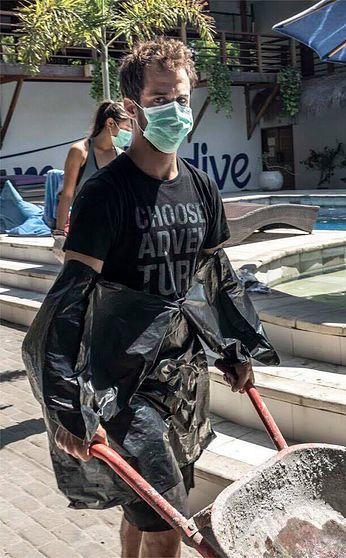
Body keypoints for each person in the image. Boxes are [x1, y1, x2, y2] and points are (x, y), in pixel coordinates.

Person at [49, 38, 254, 558]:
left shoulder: (203, 187)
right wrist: (64, 403)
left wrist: (234, 345)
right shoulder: (106, 194)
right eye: (163, 99)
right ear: (134, 109)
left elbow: (214, 273)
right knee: (169, 522)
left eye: (183, 99)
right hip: (121, 380)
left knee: (142, 507)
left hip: (181, 378)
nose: (178, 111)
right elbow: (70, 300)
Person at [52, 101, 132, 252]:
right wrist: (60, 234)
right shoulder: (80, 151)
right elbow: (67, 195)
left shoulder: (121, 156)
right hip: (84, 230)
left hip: (114, 233)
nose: (130, 133)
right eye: (127, 127)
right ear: (110, 123)